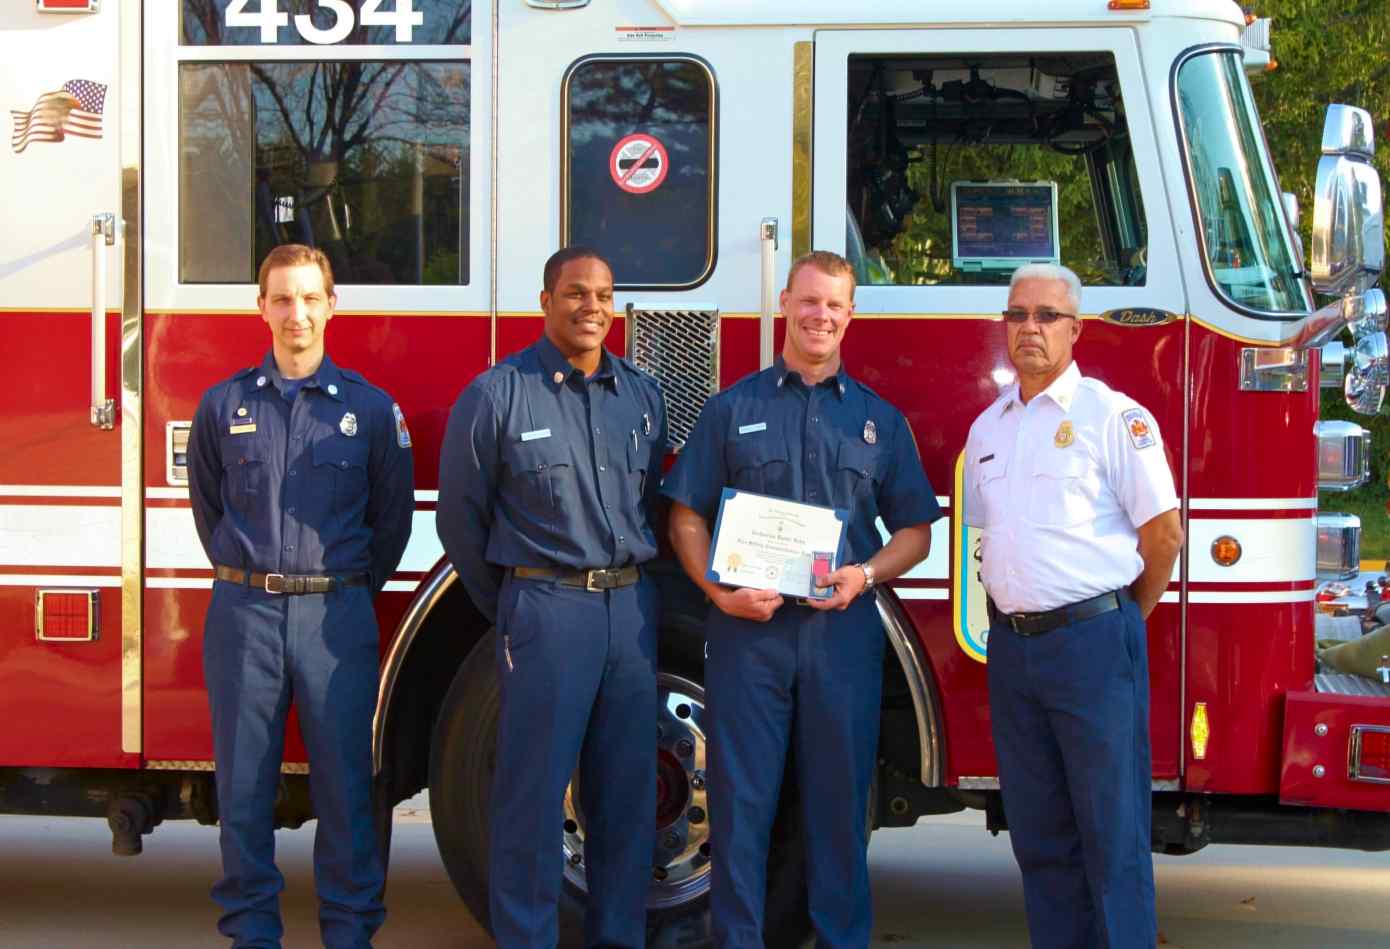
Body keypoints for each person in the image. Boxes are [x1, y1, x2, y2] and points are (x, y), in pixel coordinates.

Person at [663, 250, 941, 947]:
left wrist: (865, 575)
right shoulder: (733, 409)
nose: (821, 315)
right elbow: (686, 515)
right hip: (749, 637)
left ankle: (840, 938)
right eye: (809, 301)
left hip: (841, 636)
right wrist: (717, 593)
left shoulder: (879, 422)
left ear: (851, 315)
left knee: (839, 808)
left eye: (834, 305)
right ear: (785, 303)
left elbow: (916, 532)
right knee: (741, 806)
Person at [436, 246, 667, 948]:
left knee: (625, 801)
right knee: (532, 803)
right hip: (547, 612)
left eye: (603, 294)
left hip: (628, 614)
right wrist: (516, 605)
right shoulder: (497, 396)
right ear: (545, 302)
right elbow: (460, 521)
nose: (591, 307)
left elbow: (651, 504)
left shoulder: (642, 396)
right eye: (575, 293)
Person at [187, 243, 415, 948]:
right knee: (243, 791)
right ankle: (252, 933)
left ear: (331, 306)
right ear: (261, 307)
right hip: (244, 615)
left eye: (311, 298)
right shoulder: (223, 405)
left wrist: (338, 589)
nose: (298, 313)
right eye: (283, 298)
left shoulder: (370, 411)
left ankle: (348, 932)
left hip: (335, 620)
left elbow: (391, 523)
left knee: (345, 789)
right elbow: (208, 508)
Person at [963, 263, 1183, 949]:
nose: (1029, 327)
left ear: (1075, 329)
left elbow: (1164, 534)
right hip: (1014, 650)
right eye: (1018, 314)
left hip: (1093, 645)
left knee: (1112, 835)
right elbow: (988, 536)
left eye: (1046, 315)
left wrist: (1122, 618)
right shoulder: (987, 429)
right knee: (1040, 837)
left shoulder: (1112, 416)